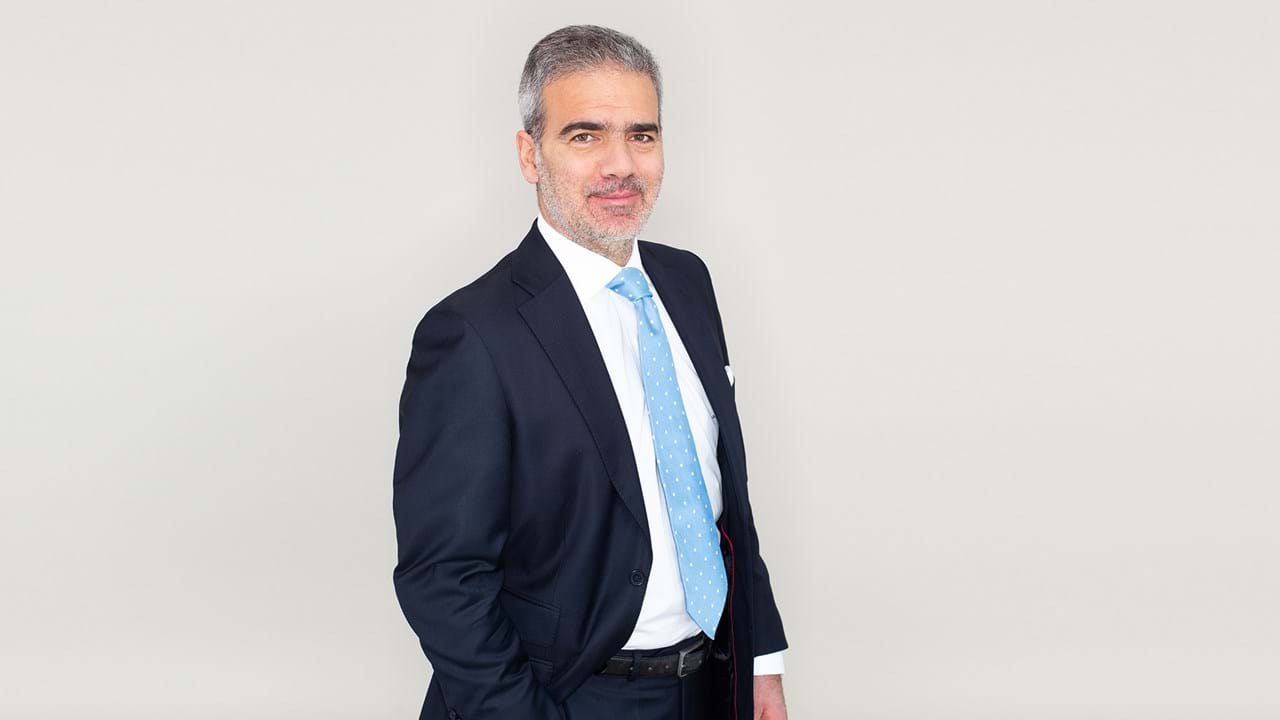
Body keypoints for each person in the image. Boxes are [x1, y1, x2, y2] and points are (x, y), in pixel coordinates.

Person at [392, 24, 788, 720]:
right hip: (570, 694)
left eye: (642, 135)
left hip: (712, 684)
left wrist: (762, 664)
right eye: (585, 136)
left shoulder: (689, 282)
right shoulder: (471, 334)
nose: (621, 165)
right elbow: (442, 578)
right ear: (530, 154)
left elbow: (723, 500)